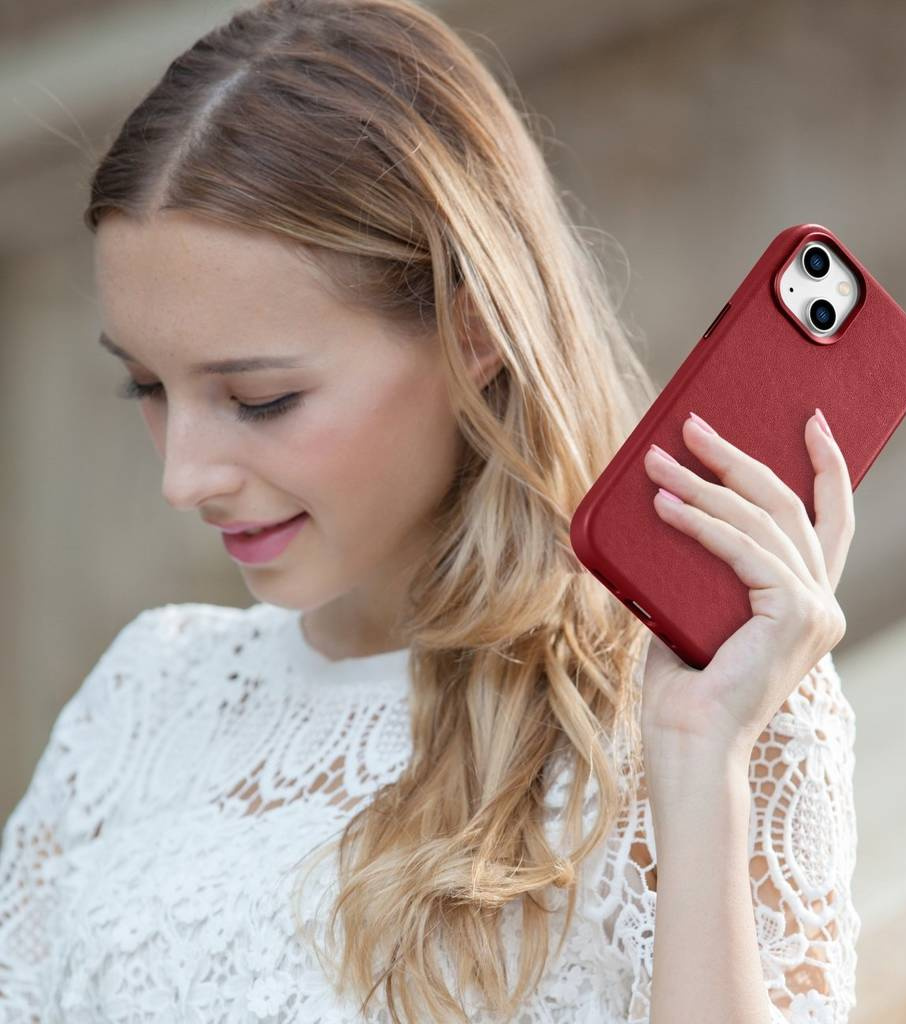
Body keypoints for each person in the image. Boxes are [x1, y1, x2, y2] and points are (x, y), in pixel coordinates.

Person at [0, 1, 860, 1021]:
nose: (183, 478)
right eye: (144, 385)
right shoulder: (142, 696)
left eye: (260, 398)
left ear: (474, 333)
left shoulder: (700, 714)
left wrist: (698, 756)